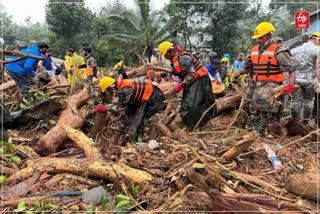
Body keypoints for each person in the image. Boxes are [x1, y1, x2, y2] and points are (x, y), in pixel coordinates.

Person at [234, 22, 298, 136]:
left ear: (269, 36)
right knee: (254, 110)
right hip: (255, 85)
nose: (258, 40)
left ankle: (271, 134)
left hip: (271, 87)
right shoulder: (254, 50)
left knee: (269, 112)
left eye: (261, 37)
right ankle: (257, 132)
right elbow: (250, 68)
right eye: (257, 38)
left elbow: (292, 69)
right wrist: (240, 72)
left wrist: (290, 86)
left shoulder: (279, 50)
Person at [158, 41, 215, 129]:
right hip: (191, 81)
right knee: (185, 103)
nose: (165, 57)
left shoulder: (183, 58)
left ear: (170, 51)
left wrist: (181, 85)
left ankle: (195, 125)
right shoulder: (175, 60)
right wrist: (178, 85)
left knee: (193, 104)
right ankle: (189, 123)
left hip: (200, 79)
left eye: (165, 55)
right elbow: (182, 74)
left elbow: (191, 74)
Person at [96, 76, 166, 141]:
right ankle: (122, 126)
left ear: (111, 87)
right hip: (148, 97)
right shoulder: (122, 86)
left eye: (108, 90)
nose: (109, 92)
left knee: (137, 118)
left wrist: (105, 108)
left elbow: (120, 107)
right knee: (130, 110)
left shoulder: (125, 90)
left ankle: (137, 138)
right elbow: (125, 104)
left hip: (154, 99)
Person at [289, 32, 320, 128]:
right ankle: (305, 122)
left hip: (296, 79)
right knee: (308, 100)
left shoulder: (294, 50)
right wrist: (318, 82)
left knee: (295, 100)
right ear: (316, 40)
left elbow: (291, 67)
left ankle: (294, 121)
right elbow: (318, 67)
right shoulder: (317, 50)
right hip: (309, 81)